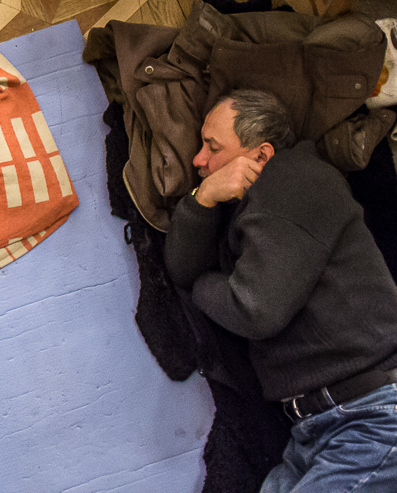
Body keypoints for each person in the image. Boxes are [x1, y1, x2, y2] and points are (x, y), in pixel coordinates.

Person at [165, 89, 397, 492]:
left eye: (212, 147)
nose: (198, 159)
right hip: (320, 427)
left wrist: (205, 283)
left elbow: (256, 309)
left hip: (370, 416)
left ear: (261, 155)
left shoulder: (292, 179)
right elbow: (182, 270)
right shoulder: (246, 209)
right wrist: (201, 200)